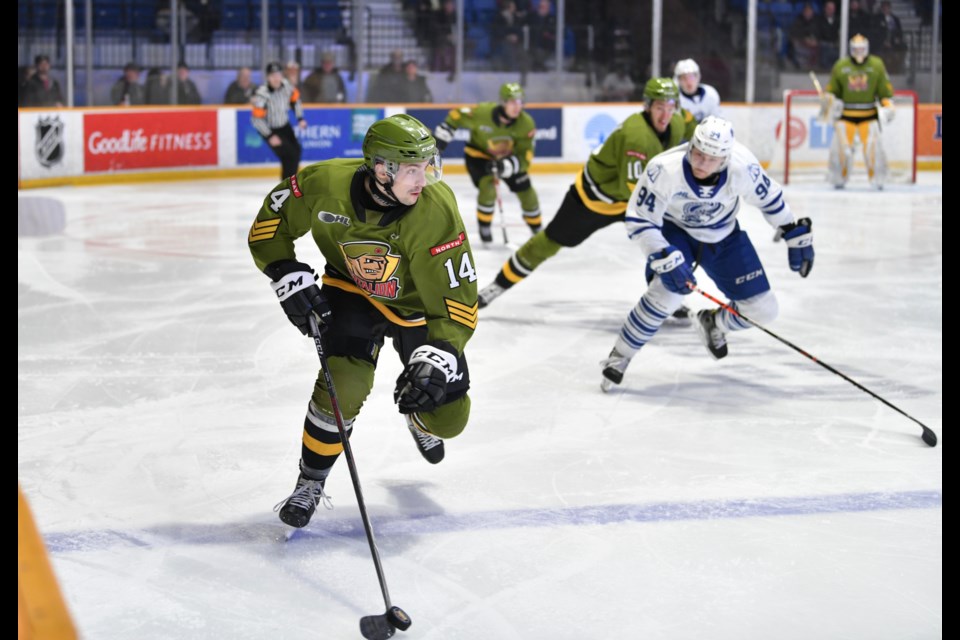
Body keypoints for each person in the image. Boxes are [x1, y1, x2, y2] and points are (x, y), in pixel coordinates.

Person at [249, 114, 477, 528]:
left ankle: (417, 415)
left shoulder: (436, 210)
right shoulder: (322, 183)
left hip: (419, 307)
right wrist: (284, 270)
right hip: (352, 293)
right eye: (412, 170)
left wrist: (441, 354)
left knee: (449, 418)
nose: (423, 180)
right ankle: (311, 480)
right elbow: (270, 227)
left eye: (427, 167)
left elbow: (457, 299)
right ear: (380, 168)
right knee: (342, 388)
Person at [599, 116, 814, 391]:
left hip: (723, 235)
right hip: (675, 232)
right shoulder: (664, 169)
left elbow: (770, 199)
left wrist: (791, 229)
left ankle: (714, 322)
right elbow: (640, 220)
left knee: (764, 310)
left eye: (711, 158)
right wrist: (663, 253)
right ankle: (620, 357)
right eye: (698, 153)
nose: (701, 163)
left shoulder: (742, 166)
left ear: (724, 159)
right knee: (666, 295)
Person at [476, 78, 696, 307]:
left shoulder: (676, 123)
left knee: (664, 240)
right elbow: (635, 192)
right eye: (660, 107)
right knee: (548, 242)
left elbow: (691, 124)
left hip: (629, 197)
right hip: (591, 200)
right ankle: (497, 286)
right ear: (647, 105)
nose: (665, 115)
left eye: (671, 108)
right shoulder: (637, 137)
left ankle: (666, 296)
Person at [433, 82, 541, 244]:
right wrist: (442, 137)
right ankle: (484, 226)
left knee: (527, 191)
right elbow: (456, 115)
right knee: (488, 187)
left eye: (520, 102)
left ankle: (537, 228)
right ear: (503, 102)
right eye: (512, 102)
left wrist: (505, 166)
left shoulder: (526, 124)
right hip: (478, 156)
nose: (517, 107)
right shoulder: (482, 112)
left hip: (508, 159)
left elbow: (525, 157)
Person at [821, 34, 895, 189]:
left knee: (873, 150)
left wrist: (888, 106)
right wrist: (829, 102)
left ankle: (878, 180)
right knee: (842, 151)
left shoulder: (876, 65)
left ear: (867, 48)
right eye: (856, 49)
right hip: (845, 116)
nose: (859, 52)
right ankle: (838, 179)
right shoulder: (841, 65)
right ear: (851, 49)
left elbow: (884, 92)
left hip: (869, 116)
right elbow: (832, 91)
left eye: (862, 49)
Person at [251, 61, 307, 180]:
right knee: (289, 155)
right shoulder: (262, 94)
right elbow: (256, 119)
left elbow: (295, 101)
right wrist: (270, 135)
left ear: (282, 75)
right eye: (273, 76)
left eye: (278, 75)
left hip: (284, 125)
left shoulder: (287, 86)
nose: (276, 78)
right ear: (268, 77)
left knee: (296, 151)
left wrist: (300, 118)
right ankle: (288, 186)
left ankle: (289, 184)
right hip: (271, 129)